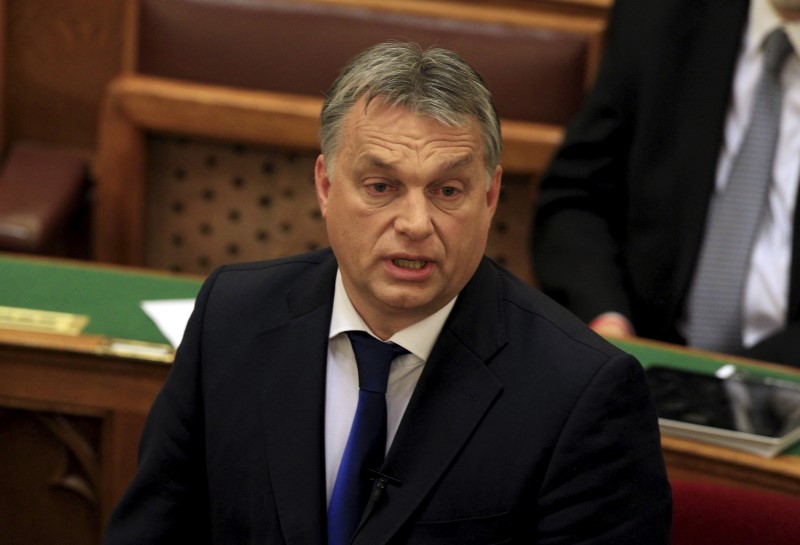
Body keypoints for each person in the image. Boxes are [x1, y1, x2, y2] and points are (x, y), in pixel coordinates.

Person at [103, 41, 671, 544]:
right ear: (325, 185)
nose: (416, 222)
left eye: (448, 190)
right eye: (381, 187)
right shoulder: (232, 316)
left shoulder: (585, 393)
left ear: (491, 196)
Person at [532, 0, 800, 367]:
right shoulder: (659, 14)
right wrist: (606, 317)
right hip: (648, 362)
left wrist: (733, 382)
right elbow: (575, 199)